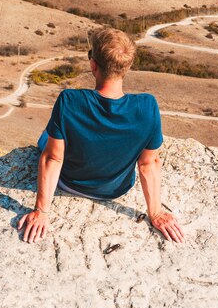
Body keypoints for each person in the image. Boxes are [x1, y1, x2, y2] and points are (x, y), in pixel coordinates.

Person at [18, 27, 184, 245]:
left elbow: (53, 158)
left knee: (48, 136)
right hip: (114, 190)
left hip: (68, 182)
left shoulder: (69, 100)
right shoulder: (147, 107)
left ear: (93, 64)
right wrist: (156, 213)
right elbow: (148, 163)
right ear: (128, 66)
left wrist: (41, 211)